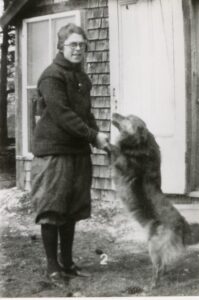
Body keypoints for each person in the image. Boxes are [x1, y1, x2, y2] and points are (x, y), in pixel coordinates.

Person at [30, 23, 109, 284]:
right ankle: (52, 267)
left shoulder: (82, 78)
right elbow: (63, 116)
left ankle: (67, 263)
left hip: (77, 151)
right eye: (72, 44)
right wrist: (93, 136)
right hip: (54, 153)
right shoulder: (51, 76)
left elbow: (85, 114)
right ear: (60, 46)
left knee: (72, 209)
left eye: (81, 45)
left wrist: (99, 138)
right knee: (53, 208)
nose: (78, 49)